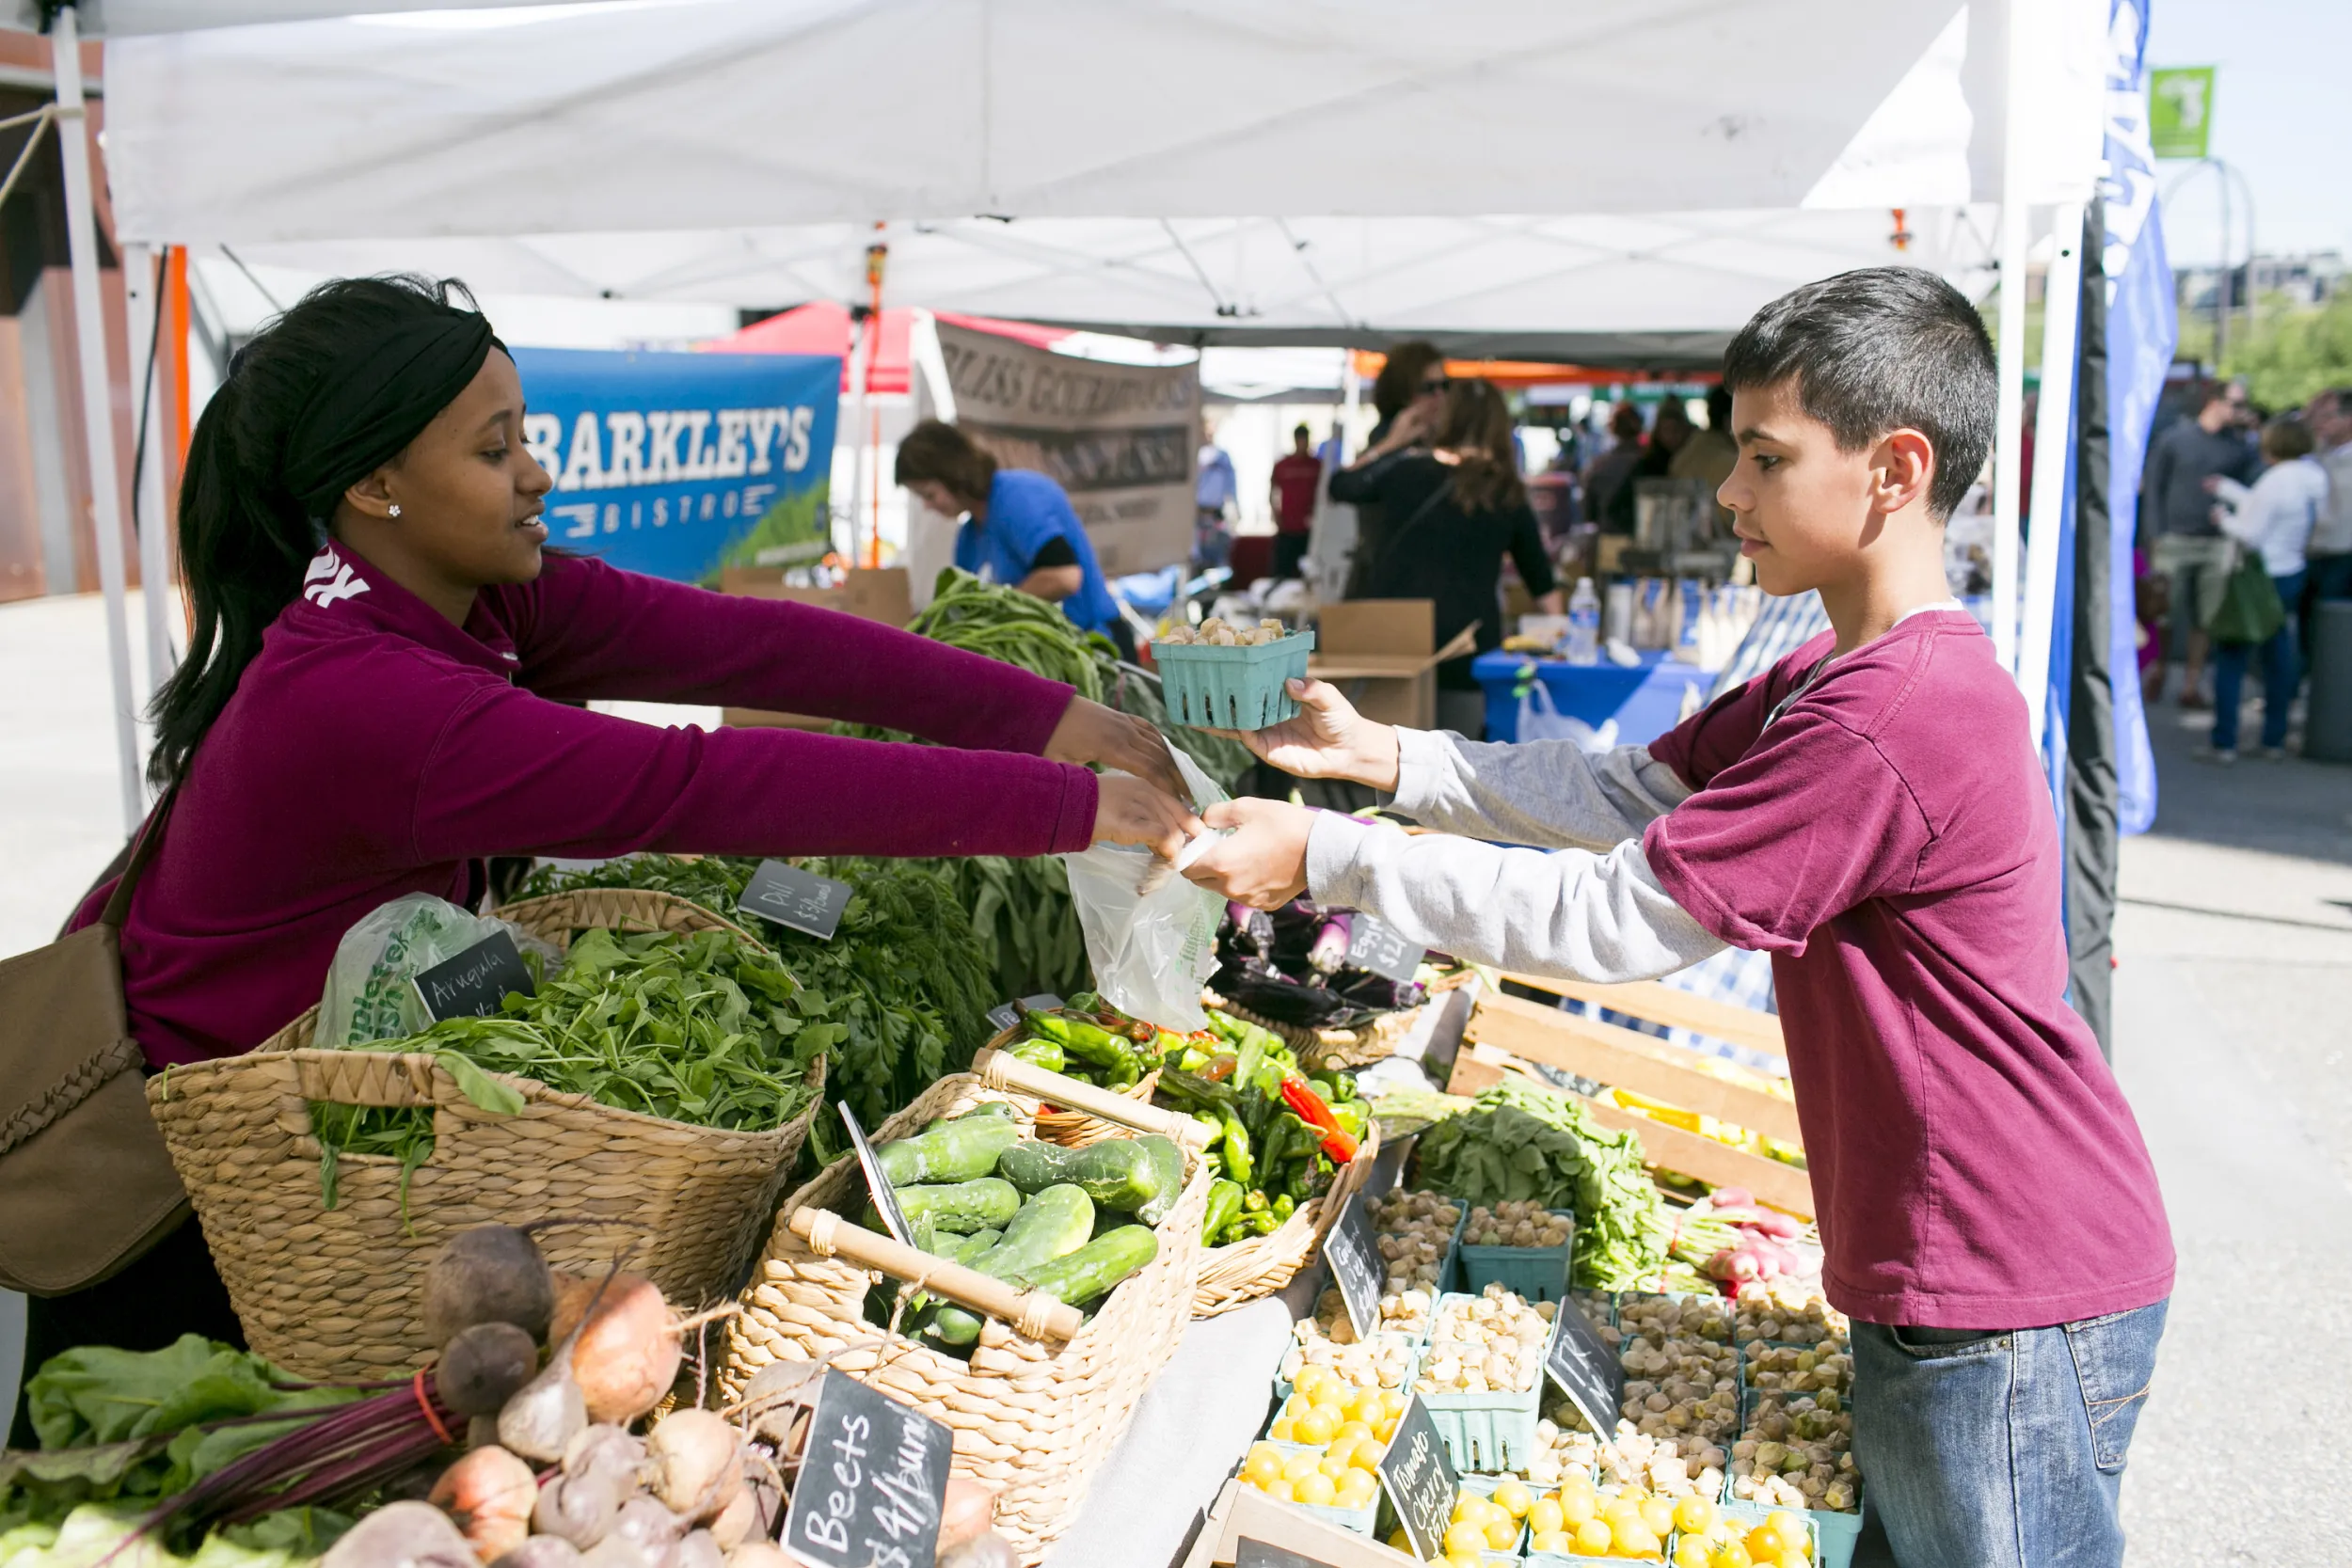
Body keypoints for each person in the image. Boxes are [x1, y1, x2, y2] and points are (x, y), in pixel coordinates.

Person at [31, 277, 1198, 1386]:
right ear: (375, 483)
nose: (534, 473)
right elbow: (704, 784)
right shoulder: (368, 698)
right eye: (494, 451)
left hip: (314, 1122)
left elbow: (759, 648)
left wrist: (1051, 714)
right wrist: (1063, 808)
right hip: (184, 1190)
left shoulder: (466, 594)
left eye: (523, 434)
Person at [1184, 267, 2170, 1568]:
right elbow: (1626, 788)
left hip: (2002, 1273)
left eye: (1766, 457)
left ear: (1896, 468)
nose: (1728, 492)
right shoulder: (1838, 669)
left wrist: (1329, 853)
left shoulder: (1894, 711)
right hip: (1967, 1256)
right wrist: (1386, 759)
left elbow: (1615, 918)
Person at [1328, 377, 1562, 736]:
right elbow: (1541, 583)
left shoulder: (1404, 468)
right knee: (1456, 768)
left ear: (1447, 417)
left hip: (1396, 646)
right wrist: (1566, 638)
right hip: (1466, 648)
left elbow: (1342, 485)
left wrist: (1392, 441)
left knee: (1390, 767)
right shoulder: (1504, 490)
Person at [895, 419, 1132, 657]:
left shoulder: (1016, 497)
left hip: (1097, 648)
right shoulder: (969, 537)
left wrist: (994, 610)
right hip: (1053, 656)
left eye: (929, 494)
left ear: (954, 474)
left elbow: (1064, 576)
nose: (927, 506)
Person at [2203, 414, 2328, 761]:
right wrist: (2228, 490)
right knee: (2279, 659)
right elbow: (2268, 510)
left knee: (2231, 656)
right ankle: (2274, 736)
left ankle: (2224, 741)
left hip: (2258, 577)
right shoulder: (2312, 477)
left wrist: (2223, 520)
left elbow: (2253, 533)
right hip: (2291, 570)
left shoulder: (2275, 481)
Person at [2146, 379, 2259, 709]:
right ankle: (2161, 667)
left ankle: (2192, 683)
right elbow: (2154, 488)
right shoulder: (2175, 440)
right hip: (2176, 540)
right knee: (2164, 613)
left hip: (2216, 543)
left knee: (2207, 619)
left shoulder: (2239, 446)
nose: (2241, 412)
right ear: (2215, 401)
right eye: (2236, 404)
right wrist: (2154, 536)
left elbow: (2253, 491)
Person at [1344, 341, 1448, 596]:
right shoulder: (1387, 443)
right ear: (1403, 393)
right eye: (1429, 388)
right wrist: (1392, 444)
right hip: (1390, 591)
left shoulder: (1440, 441)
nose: (1440, 397)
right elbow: (1344, 485)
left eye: (1445, 386)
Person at [1606, 397, 1692, 534]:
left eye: (1676, 429)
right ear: (1658, 432)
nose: (1672, 436)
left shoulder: (1691, 460)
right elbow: (1617, 508)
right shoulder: (1647, 465)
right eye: (1666, 429)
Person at [2303, 387, 2352, 617]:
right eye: (2317, 416)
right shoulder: (2316, 453)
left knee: (2333, 624)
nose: (2319, 422)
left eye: (2328, 416)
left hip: (2343, 555)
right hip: (2311, 553)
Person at [1581, 402, 1646, 535]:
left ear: (1612, 428)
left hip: (1608, 538)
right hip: (1642, 538)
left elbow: (1589, 513)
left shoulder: (1599, 465)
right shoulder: (1649, 463)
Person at [1269, 422, 1323, 579]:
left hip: (1308, 528)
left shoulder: (1316, 466)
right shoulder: (1282, 465)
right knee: (1282, 572)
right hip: (1287, 528)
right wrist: (1275, 513)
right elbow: (1273, 490)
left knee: (1306, 573)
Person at [1194, 418, 1238, 570]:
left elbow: (1230, 487)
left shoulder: (1222, 457)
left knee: (1219, 562)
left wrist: (1233, 512)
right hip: (1196, 518)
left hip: (1216, 517)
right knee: (1196, 561)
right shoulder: (1193, 455)